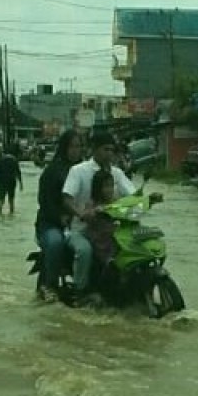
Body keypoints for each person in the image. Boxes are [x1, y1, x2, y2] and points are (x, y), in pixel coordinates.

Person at [63, 131, 141, 307]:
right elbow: (67, 199)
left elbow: (133, 196)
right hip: (82, 230)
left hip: (111, 228)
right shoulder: (78, 171)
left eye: (112, 150)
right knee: (84, 251)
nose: (110, 154)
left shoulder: (117, 173)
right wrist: (82, 214)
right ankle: (80, 292)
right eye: (106, 149)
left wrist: (147, 200)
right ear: (94, 149)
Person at [35, 131, 84, 302]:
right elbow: (44, 201)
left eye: (79, 146)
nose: (76, 150)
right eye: (72, 146)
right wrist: (59, 217)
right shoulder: (52, 171)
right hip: (51, 223)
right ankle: (50, 285)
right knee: (55, 243)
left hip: (81, 221)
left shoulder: (85, 170)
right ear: (64, 148)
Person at [0, 148, 23, 215]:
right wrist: (21, 183)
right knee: (11, 200)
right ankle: (11, 214)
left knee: (1, 200)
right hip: (11, 181)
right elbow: (18, 172)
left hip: (2, 181)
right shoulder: (14, 160)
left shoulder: (2, 159)